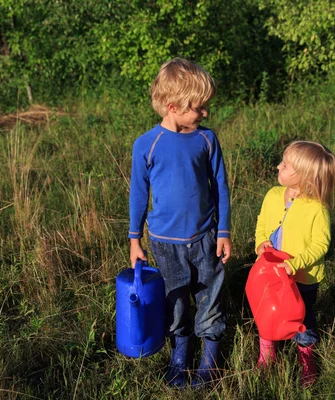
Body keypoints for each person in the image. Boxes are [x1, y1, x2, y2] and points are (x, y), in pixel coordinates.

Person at [128, 58, 231, 388]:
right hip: (164, 243)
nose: (204, 114)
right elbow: (139, 195)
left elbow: (221, 188)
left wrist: (224, 231)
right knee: (175, 302)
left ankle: (210, 362)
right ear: (173, 106)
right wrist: (134, 239)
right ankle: (179, 355)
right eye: (199, 108)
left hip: (205, 238)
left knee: (209, 298)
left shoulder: (207, 140)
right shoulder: (146, 145)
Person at [254, 140, 335, 388]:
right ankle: (267, 353)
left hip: (301, 279)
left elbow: (320, 245)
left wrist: (296, 263)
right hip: (269, 273)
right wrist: (260, 244)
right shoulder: (272, 195)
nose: (278, 166)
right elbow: (261, 224)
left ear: (303, 176)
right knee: (266, 312)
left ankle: (306, 356)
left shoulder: (316, 208)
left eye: (285, 164)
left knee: (302, 317)